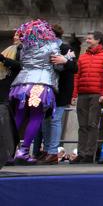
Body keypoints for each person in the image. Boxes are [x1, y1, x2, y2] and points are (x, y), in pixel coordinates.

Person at [9, 20, 61, 164]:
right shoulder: (52, 45)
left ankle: (8, 151)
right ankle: (24, 151)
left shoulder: (25, 45)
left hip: (22, 84)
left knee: (18, 115)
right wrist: (67, 58)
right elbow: (58, 65)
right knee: (36, 115)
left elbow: (22, 62)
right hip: (40, 83)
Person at [35, 24, 78, 165]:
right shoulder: (44, 49)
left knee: (54, 120)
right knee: (45, 121)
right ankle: (47, 150)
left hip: (61, 90)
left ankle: (53, 152)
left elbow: (74, 67)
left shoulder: (64, 48)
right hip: (46, 89)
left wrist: (65, 61)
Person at [71, 31, 103, 164]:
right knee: (82, 125)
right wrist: (74, 94)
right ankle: (81, 153)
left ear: (98, 40)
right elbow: (77, 76)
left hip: (96, 94)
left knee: (92, 124)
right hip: (83, 93)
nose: (87, 41)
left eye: (89, 39)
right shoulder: (83, 57)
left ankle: (89, 154)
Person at [0, 31, 22, 162]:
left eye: (18, 36)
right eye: (14, 35)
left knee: (9, 122)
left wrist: (3, 59)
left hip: (14, 88)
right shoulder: (9, 49)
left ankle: (10, 153)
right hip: (3, 86)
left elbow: (21, 66)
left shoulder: (22, 50)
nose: (15, 37)